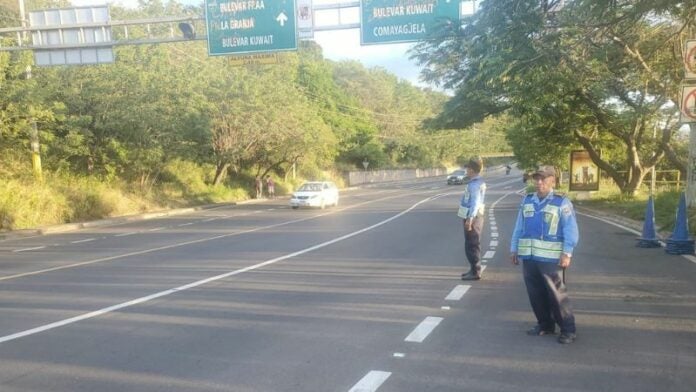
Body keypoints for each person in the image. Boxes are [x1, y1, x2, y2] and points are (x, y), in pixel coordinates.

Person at [509, 165, 579, 344]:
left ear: (553, 181)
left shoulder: (561, 203)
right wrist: (514, 248)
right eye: (537, 179)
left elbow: (571, 230)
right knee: (535, 293)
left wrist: (567, 253)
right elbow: (519, 226)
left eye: (544, 179)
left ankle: (568, 329)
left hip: (551, 258)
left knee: (557, 294)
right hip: (530, 257)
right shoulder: (527, 201)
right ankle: (545, 324)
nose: (539, 182)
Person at [459, 157, 487, 281]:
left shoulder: (475, 184)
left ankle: (475, 271)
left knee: (472, 244)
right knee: (470, 243)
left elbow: (475, 203)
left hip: (473, 217)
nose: (466, 170)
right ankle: (473, 268)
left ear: (471, 169)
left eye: (467, 168)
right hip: (473, 216)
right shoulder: (477, 182)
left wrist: (470, 219)